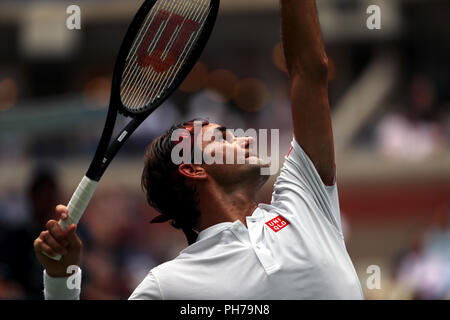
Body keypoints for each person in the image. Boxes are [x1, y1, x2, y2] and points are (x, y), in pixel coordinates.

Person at [34, 0, 363, 299]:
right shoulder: (168, 285)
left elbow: (310, 70)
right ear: (192, 167)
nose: (246, 139)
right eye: (222, 137)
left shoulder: (306, 202)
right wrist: (60, 277)